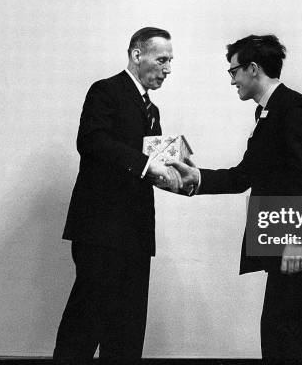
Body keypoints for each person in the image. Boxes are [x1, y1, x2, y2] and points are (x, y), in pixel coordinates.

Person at [168, 34, 302, 360]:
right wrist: (196, 177)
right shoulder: (270, 112)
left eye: (234, 72)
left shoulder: (292, 109)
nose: (232, 80)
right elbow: (244, 175)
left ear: (253, 68)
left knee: (283, 326)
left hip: (295, 239)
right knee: (287, 326)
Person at [53, 27, 180, 362]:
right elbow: (91, 141)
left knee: (127, 329)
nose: (168, 69)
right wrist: (147, 166)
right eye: (162, 59)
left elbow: (158, 166)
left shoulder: (153, 111)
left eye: (171, 61)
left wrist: (180, 176)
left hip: (136, 235)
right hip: (101, 231)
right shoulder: (105, 91)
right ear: (137, 55)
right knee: (85, 323)